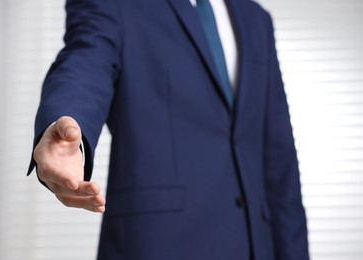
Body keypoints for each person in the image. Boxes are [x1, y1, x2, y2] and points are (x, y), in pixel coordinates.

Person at [28, 0, 310, 259]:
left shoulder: (257, 18)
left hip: (258, 248)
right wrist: (63, 121)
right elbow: (85, 63)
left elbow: (279, 159)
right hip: (161, 245)